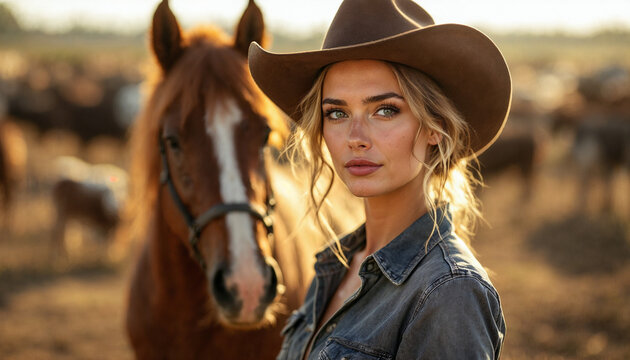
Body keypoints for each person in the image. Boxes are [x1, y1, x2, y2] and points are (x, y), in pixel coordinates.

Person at [248, 0, 511, 358]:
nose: (355, 136)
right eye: (337, 112)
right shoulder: (336, 266)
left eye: (385, 110)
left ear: (435, 128)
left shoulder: (449, 292)